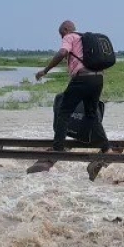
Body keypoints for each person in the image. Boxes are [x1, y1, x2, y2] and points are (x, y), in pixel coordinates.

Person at [36, 20, 111, 180]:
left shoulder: (69, 37)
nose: (62, 37)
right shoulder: (85, 40)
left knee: (63, 109)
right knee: (92, 114)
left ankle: (58, 149)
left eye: (61, 34)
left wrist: (45, 70)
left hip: (82, 79)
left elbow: (62, 53)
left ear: (66, 29)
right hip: (98, 79)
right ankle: (106, 148)